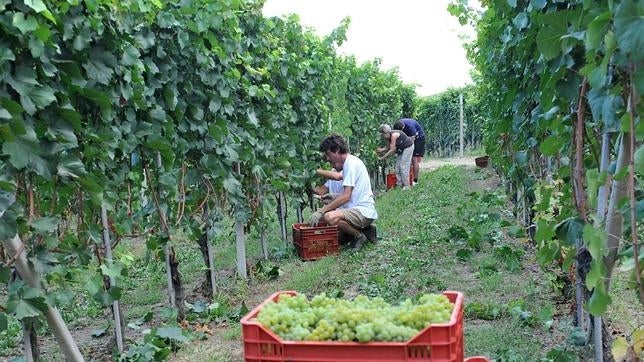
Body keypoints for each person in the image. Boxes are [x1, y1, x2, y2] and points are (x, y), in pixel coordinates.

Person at [309, 134, 378, 249]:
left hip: (362, 211)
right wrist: (333, 196)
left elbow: (346, 197)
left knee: (329, 217)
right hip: (356, 210)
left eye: (328, 154)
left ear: (336, 150)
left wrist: (321, 211)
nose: (327, 159)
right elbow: (352, 194)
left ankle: (359, 236)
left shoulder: (350, 164)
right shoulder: (348, 164)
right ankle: (367, 230)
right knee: (339, 239)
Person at [376, 124, 414, 189]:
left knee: (403, 166)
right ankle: (399, 184)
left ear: (387, 132)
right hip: (401, 149)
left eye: (383, 133)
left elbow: (392, 150)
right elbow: (387, 147)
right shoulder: (388, 137)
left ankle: (406, 186)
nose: (383, 136)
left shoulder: (394, 135)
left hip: (408, 147)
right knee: (397, 166)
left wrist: (382, 158)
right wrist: (380, 150)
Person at [393, 118, 426, 185]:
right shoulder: (397, 125)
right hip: (408, 139)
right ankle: (405, 180)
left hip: (419, 139)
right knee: (406, 158)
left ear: (403, 128)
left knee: (414, 159)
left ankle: (415, 181)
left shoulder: (410, 127)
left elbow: (411, 141)